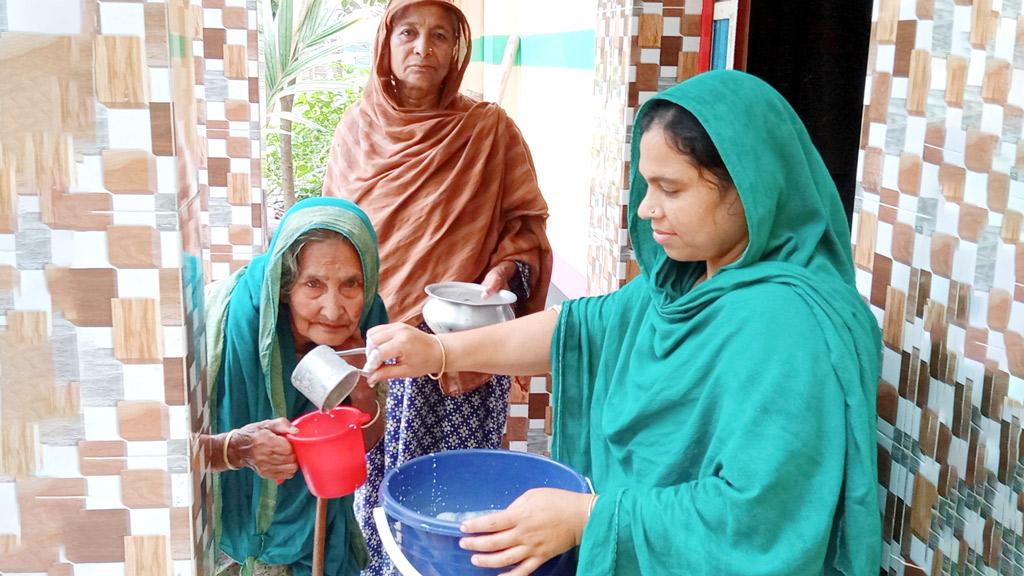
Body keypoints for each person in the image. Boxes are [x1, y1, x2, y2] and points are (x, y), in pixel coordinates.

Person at [366, 70, 883, 575]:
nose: (647, 209)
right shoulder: (685, 282)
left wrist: (588, 518)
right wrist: (439, 353)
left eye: (671, 189)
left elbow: (758, 519)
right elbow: (582, 329)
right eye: (647, 185)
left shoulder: (788, 328)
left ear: (749, 186)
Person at [321, 1, 552, 573]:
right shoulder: (357, 131)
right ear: (387, 43)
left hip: (465, 349)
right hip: (380, 347)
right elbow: (332, 240)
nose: (423, 47)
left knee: (463, 500)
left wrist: (504, 274)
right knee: (382, 491)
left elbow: (524, 230)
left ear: (457, 50)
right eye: (409, 32)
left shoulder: (489, 132)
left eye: (440, 35)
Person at [204, 198, 389, 576]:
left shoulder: (369, 320)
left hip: (321, 534)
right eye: (314, 285)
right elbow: (162, 453)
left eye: (351, 284)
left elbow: (364, 440)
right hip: (224, 537)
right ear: (285, 285)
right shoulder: (231, 321)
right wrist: (235, 448)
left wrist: (360, 385)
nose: (334, 310)